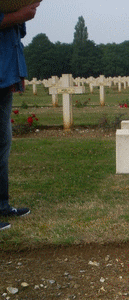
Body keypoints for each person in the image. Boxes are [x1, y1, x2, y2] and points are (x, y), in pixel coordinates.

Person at [0, 3, 40, 230]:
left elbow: (15, 36)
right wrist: (18, 15)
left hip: (5, 74)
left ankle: (2, 205)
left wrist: (18, 71)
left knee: (3, 144)